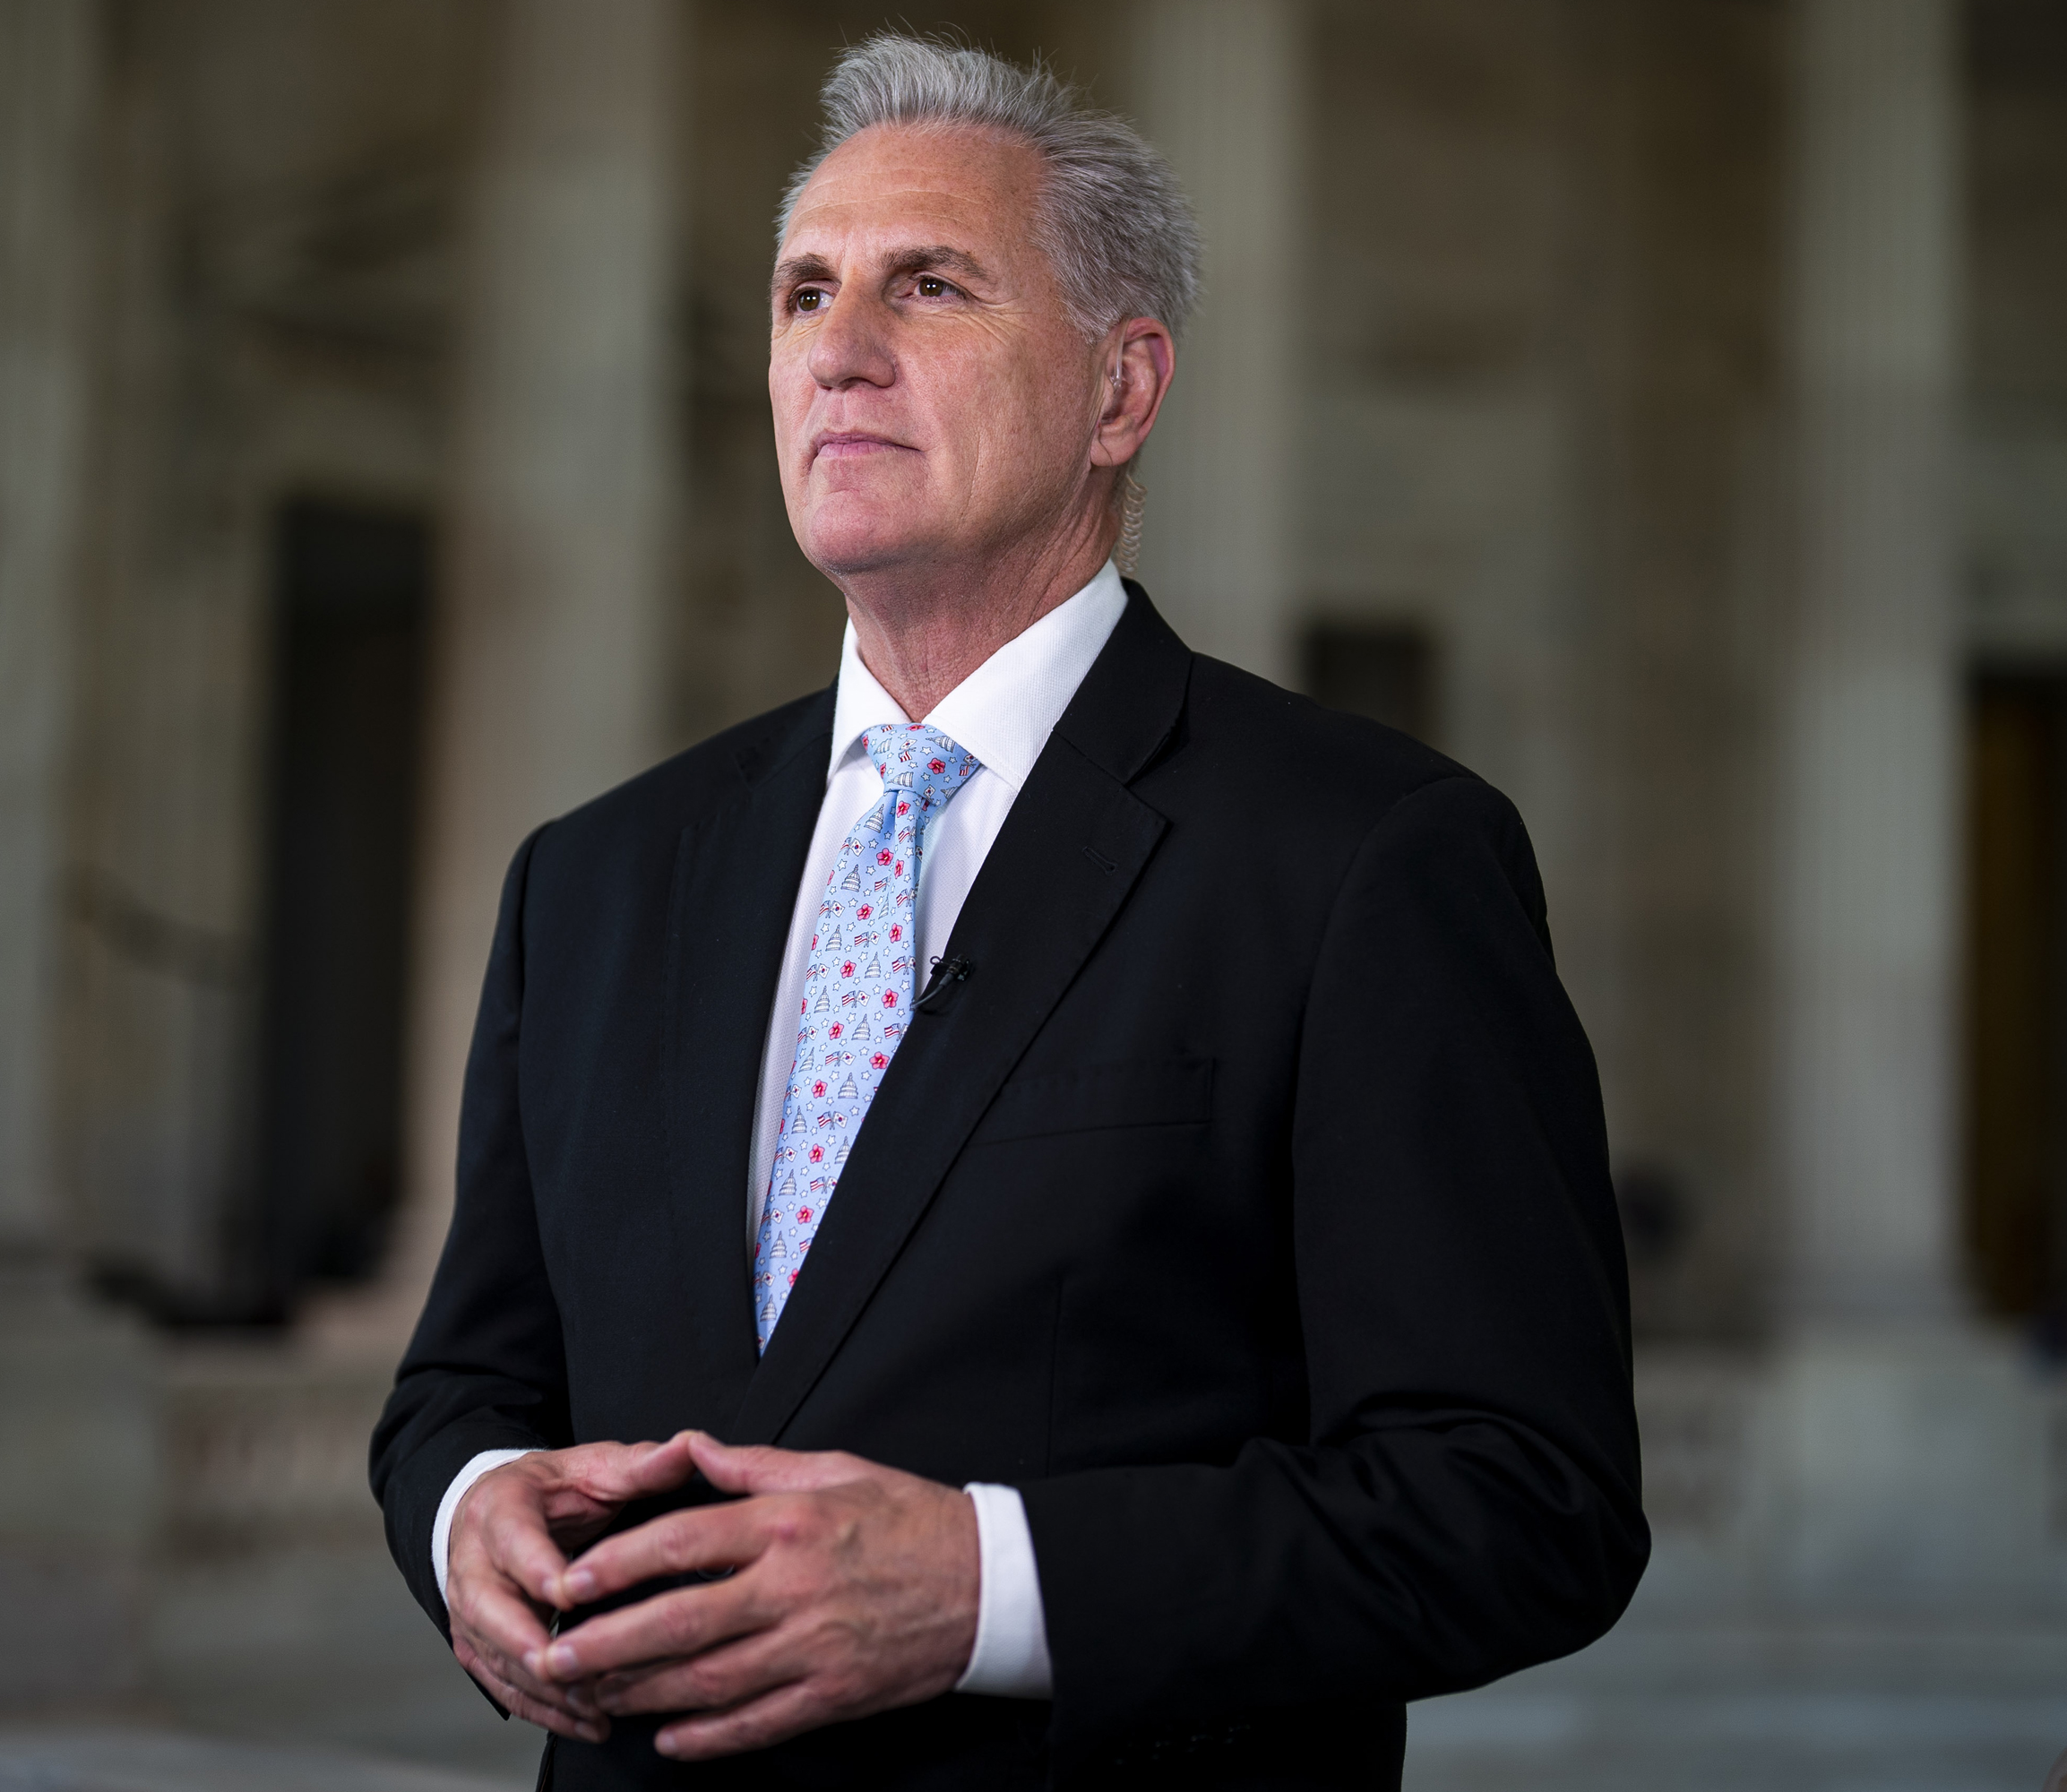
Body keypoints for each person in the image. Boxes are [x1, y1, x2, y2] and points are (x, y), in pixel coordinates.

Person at [371, 33, 1644, 1791]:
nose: (839, 346)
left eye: (931, 285)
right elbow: (464, 1383)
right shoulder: (591, 878)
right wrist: (462, 1516)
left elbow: (1522, 1498)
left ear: (1122, 392)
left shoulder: (1371, 856)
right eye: (804, 290)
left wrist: (987, 1586)